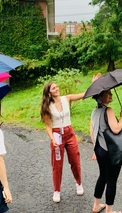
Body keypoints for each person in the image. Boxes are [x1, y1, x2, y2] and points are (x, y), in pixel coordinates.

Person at [40, 74, 101, 203]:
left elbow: (84, 94)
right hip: (57, 135)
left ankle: (78, 183)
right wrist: (53, 139)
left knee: (75, 159)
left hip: (69, 133)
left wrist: (94, 83)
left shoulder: (66, 99)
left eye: (56, 87)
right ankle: (57, 190)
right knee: (57, 164)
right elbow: (47, 126)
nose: (57, 89)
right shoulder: (47, 107)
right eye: (53, 88)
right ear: (49, 93)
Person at [90, 89, 122, 213]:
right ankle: (109, 211)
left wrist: (95, 148)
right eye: (108, 93)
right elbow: (116, 129)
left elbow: (92, 131)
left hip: (100, 149)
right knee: (111, 180)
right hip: (110, 151)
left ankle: (96, 205)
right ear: (101, 96)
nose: (110, 95)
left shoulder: (94, 111)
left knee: (103, 176)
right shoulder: (108, 110)